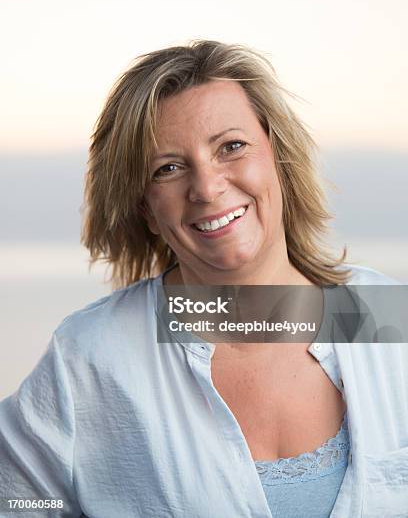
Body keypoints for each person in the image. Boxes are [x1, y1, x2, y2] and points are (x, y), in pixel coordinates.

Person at [0, 40, 407, 518]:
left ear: (278, 158)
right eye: (168, 168)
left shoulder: (384, 317)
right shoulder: (93, 357)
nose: (207, 187)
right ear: (145, 209)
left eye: (231, 147)